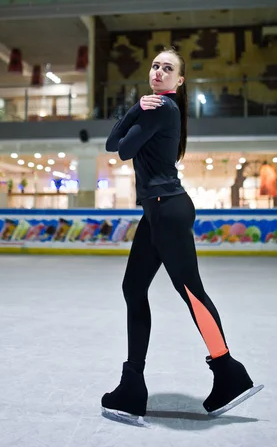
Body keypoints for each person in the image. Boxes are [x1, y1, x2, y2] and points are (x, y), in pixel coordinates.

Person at [101, 47, 263, 425]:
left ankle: (228, 372)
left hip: (168, 210)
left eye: (167, 68)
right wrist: (135, 107)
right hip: (157, 211)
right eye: (155, 66)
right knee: (133, 288)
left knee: (191, 292)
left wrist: (139, 109)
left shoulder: (164, 108)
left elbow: (123, 148)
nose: (158, 72)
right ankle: (132, 385)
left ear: (180, 80)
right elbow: (112, 143)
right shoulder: (155, 107)